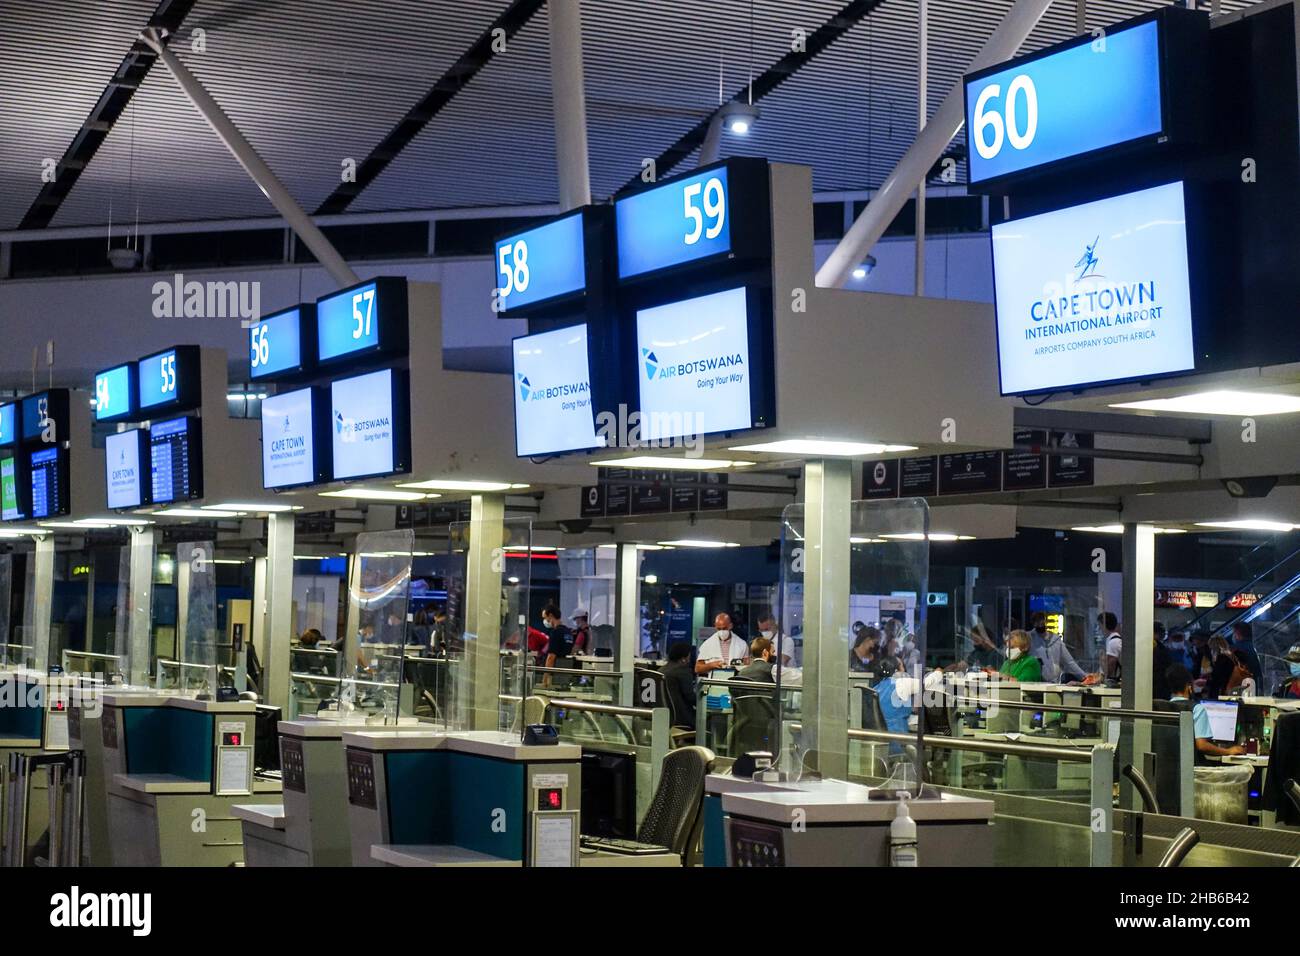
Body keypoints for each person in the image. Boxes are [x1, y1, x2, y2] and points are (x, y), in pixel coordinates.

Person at [1167, 664, 1246, 759]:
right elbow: (1202, 745)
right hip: (1192, 768)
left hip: (1170, 764)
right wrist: (1228, 751)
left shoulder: (1165, 707)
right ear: (1189, 687)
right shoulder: (1196, 709)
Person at [1029, 612, 1084, 683]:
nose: (1040, 624)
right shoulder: (1029, 638)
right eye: (1037, 622)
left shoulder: (1056, 640)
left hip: (1055, 683)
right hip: (1036, 682)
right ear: (1033, 624)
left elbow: (1069, 662)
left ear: (1046, 621)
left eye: (1041, 622)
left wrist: (1084, 676)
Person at [872, 656, 913, 734]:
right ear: (896, 670)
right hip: (899, 734)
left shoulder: (877, 688)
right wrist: (937, 673)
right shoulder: (902, 684)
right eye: (901, 666)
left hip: (884, 735)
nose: (904, 670)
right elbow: (925, 684)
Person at [662, 641, 697, 732]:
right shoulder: (683, 671)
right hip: (682, 720)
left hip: (664, 718)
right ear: (683, 659)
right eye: (689, 656)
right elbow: (691, 697)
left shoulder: (661, 670)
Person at [1204, 636, 1242, 700]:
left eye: (1211, 648)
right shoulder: (1231, 656)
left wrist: (1206, 682)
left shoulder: (1221, 658)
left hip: (1222, 690)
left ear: (1214, 647)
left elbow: (1217, 677)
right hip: (1232, 688)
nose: (1211, 651)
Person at [540, 604, 574, 674]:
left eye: (545, 618)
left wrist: (545, 679)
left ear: (551, 615)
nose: (545, 621)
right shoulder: (568, 632)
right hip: (565, 671)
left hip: (554, 673)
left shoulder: (556, 632)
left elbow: (551, 657)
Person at [1230, 622, 1264, 688]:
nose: (1233, 635)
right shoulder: (1255, 647)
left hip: (1242, 685)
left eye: (1234, 632)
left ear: (1238, 633)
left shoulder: (1235, 649)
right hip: (1256, 683)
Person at [1098, 612, 1122, 681]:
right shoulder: (1113, 641)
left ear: (1103, 625)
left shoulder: (1113, 643)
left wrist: (1102, 659)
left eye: (1099, 625)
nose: (1099, 629)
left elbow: (1108, 672)